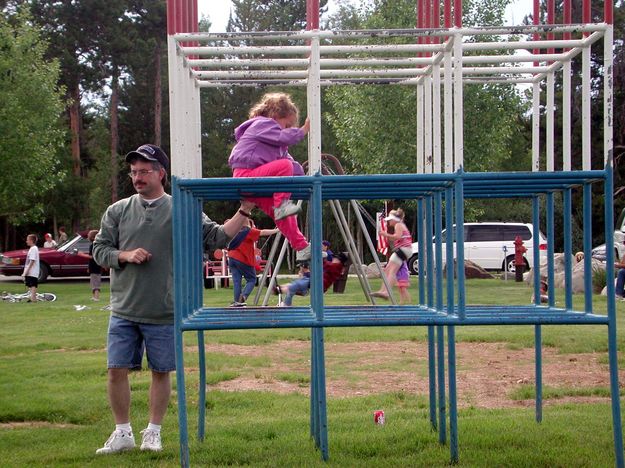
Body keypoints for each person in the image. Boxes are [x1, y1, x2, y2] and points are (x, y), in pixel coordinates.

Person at [92, 144, 254, 455]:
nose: (138, 177)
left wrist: (244, 210)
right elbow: (100, 250)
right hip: (124, 309)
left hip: (165, 309)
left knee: (161, 371)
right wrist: (124, 254)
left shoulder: (182, 207)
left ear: (162, 174)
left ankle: (153, 432)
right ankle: (122, 432)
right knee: (115, 370)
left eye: (145, 171)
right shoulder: (118, 210)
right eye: (134, 172)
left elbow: (217, 237)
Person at [228, 92, 312, 263]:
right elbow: (283, 147)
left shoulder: (274, 143)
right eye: (287, 125)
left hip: (259, 183)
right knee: (283, 196)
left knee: (284, 215)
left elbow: (288, 161)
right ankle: (282, 205)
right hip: (246, 175)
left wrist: (302, 177)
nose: (288, 130)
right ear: (275, 116)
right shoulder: (262, 124)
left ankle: (301, 247)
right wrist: (302, 131)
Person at [227, 219, 278, 307]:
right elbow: (263, 232)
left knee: (236, 281)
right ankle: (243, 296)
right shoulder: (247, 231)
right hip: (243, 258)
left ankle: (237, 302)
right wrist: (276, 230)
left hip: (231, 257)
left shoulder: (234, 230)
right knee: (252, 279)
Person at [372, 208, 413, 300]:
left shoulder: (398, 225)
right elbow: (398, 238)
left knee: (392, 271)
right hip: (404, 250)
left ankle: (386, 292)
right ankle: (382, 290)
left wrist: (385, 234)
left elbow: (397, 236)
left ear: (394, 219)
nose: (389, 222)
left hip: (403, 250)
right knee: (387, 270)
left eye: (390, 220)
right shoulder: (400, 225)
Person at [77, 230, 102, 301]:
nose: (88, 237)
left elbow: (92, 257)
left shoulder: (94, 245)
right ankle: (94, 296)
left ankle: (97, 297)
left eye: (89, 235)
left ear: (93, 237)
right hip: (93, 266)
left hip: (95, 266)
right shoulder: (94, 245)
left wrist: (82, 255)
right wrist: (89, 267)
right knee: (93, 282)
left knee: (96, 282)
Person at [21, 234, 39, 302]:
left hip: (32, 271)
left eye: (27, 240)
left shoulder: (34, 249)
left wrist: (26, 272)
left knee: (33, 285)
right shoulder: (32, 248)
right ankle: (31, 298)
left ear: (31, 241)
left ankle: (33, 299)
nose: (26, 241)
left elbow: (32, 261)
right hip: (30, 271)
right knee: (29, 284)